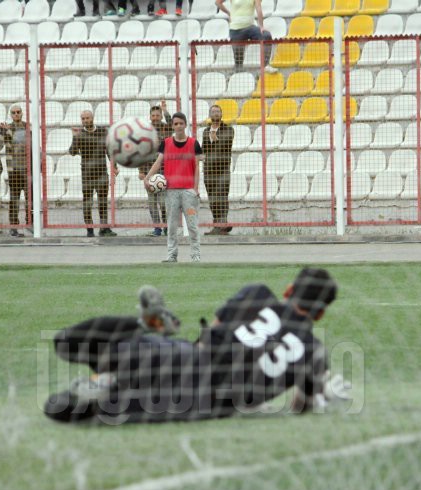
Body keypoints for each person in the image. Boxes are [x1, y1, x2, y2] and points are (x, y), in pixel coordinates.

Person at [43, 268, 341, 424]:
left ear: (289, 290)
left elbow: (210, 333)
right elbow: (300, 408)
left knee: (65, 342)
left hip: (180, 356)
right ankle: (108, 386)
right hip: (200, 401)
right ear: (320, 314)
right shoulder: (314, 352)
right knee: (62, 408)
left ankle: (141, 330)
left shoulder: (258, 293)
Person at [144, 112, 203, 263]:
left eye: (181, 123)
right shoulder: (166, 143)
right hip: (171, 192)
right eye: (176, 124)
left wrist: (195, 189)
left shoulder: (194, 144)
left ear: (185, 125)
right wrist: (147, 177)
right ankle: (172, 255)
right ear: (172, 126)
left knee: (192, 225)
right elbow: (158, 162)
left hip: (188, 193)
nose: (178, 126)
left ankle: (195, 255)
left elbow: (197, 167)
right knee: (171, 226)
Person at [70, 110, 117, 237]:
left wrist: (114, 166)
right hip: (87, 174)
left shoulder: (103, 131)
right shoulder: (80, 134)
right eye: (83, 118)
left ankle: (104, 229)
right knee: (87, 202)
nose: (85, 120)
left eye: (87, 118)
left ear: (92, 118)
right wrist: (75, 137)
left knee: (103, 202)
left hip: (102, 172)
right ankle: (89, 230)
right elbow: (72, 152)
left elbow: (109, 150)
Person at [138, 100, 172, 237]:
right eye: (153, 116)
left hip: (164, 171)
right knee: (152, 203)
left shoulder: (166, 128)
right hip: (148, 172)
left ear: (161, 116)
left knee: (163, 203)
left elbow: (172, 123)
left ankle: (167, 226)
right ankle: (157, 228)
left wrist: (165, 110)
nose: (155, 118)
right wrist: (141, 171)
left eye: (158, 115)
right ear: (150, 116)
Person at [201, 105, 235, 236]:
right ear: (210, 115)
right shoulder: (206, 131)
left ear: (221, 114)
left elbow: (227, 144)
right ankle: (218, 225)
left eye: (218, 111)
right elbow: (204, 148)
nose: (215, 113)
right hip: (209, 170)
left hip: (223, 169)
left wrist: (215, 139)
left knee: (222, 196)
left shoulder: (228, 129)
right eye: (213, 112)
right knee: (212, 198)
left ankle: (222, 223)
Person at [216, 0, 276, 73]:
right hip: (236, 29)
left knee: (266, 35)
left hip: (250, 27)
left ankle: (265, 65)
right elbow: (218, 2)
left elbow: (258, 8)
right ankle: (238, 72)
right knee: (238, 62)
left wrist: (261, 26)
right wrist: (229, 13)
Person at [0, 105, 31, 237]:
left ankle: (31, 224)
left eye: (18, 112)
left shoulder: (29, 127)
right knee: (14, 200)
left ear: (22, 113)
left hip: (28, 169)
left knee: (30, 199)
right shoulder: (7, 128)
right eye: (13, 112)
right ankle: (13, 227)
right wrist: (2, 132)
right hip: (14, 170)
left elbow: (36, 146)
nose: (16, 114)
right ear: (11, 115)